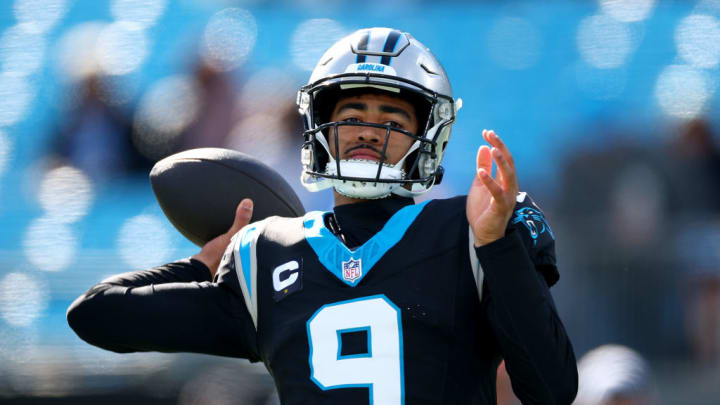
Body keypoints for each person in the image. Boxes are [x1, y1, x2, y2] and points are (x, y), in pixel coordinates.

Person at [67, 28, 578, 404]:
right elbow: (97, 314)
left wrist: (496, 245)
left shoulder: (470, 231)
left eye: (393, 119)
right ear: (318, 127)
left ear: (429, 137)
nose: (367, 130)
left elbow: (552, 389)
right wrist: (202, 265)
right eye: (350, 114)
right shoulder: (262, 255)